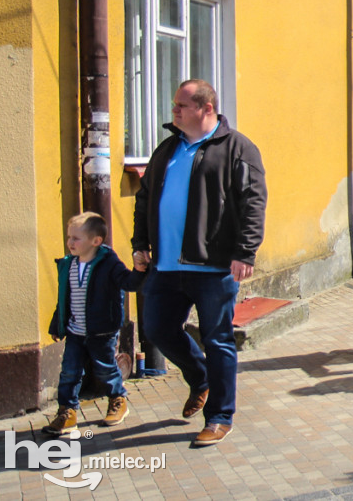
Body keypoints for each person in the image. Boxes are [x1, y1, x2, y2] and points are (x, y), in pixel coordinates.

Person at [133, 79, 267, 447]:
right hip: (165, 265)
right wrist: (139, 245)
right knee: (158, 329)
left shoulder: (238, 148)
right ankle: (202, 378)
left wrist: (245, 251)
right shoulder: (168, 149)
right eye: (174, 104)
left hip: (213, 266)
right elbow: (144, 200)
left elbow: (253, 201)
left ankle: (220, 417)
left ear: (206, 108)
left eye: (182, 105)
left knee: (218, 339)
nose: (174, 110)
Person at [42, 213, 148, 436]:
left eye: (76, 238)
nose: (70, 242)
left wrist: (140, 271)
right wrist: (57, 324)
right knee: (69, 372)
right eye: (69, 237)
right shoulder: (69, 264)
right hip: (75, 331)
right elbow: (64, 298)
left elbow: (128, 283)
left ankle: (118, 399)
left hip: (102, 330)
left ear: (96, 241)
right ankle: (67, 412)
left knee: (105, 368)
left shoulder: (109, 263)